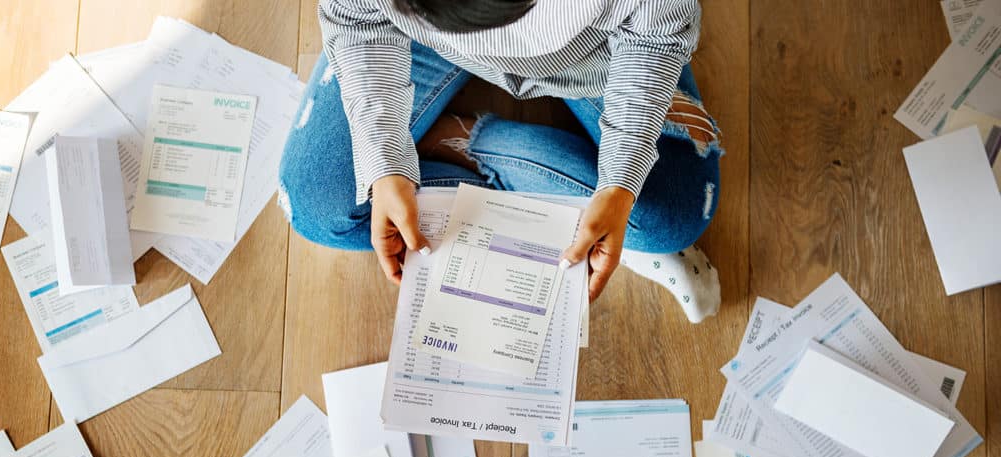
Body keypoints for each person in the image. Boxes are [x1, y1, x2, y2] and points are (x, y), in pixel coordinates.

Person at [279, 0, 723, 322]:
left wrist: (621, 182)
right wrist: (384, 160)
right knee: (317, 204)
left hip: (594, 55)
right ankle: (589, 222)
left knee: (675, 215)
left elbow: (656, 36)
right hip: (419, 41)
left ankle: (453, 139)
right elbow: (356, 19)